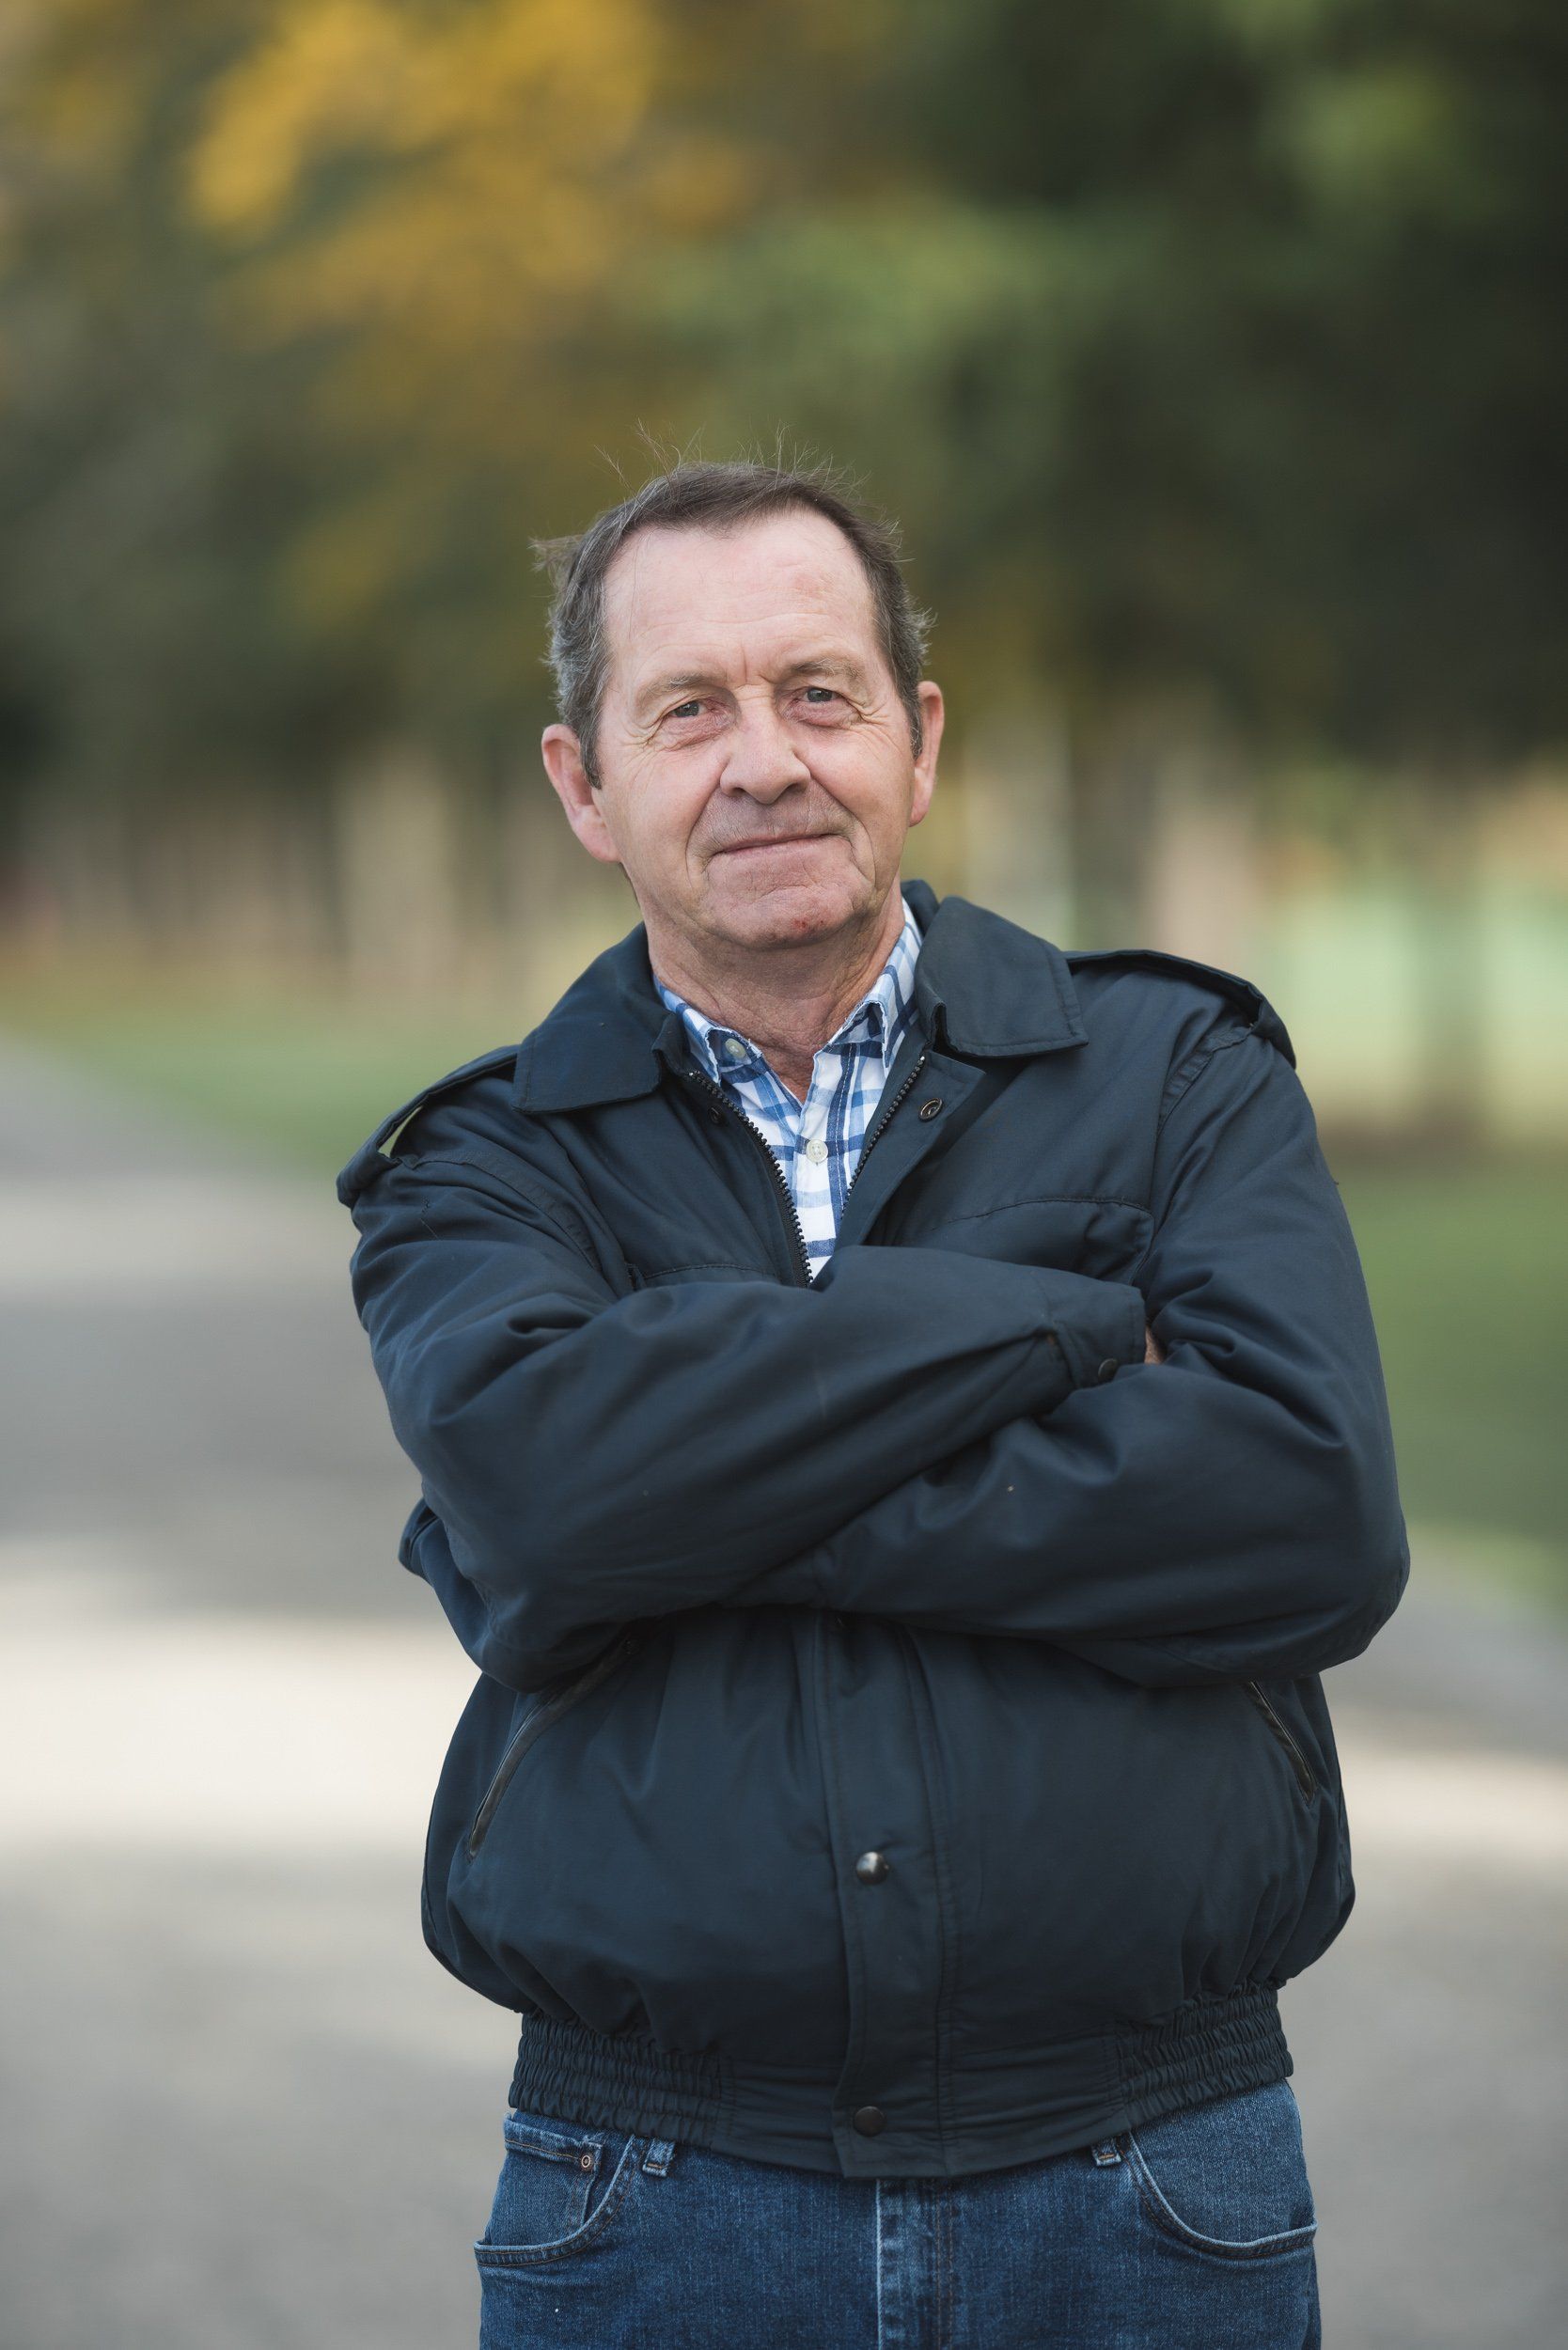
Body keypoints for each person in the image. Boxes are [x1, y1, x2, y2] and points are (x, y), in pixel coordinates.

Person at [336, 457, 1408, 2349]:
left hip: (1152, 2177)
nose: (764, 757)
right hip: (655, 2198)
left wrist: (687, 1503)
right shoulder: (477, 1163)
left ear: (917, 739)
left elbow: (1310, 1511)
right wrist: (1061, 1324)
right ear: (585, 784)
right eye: (688, 708)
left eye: (817, 692)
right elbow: (556, 1500)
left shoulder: (1181, 1072)